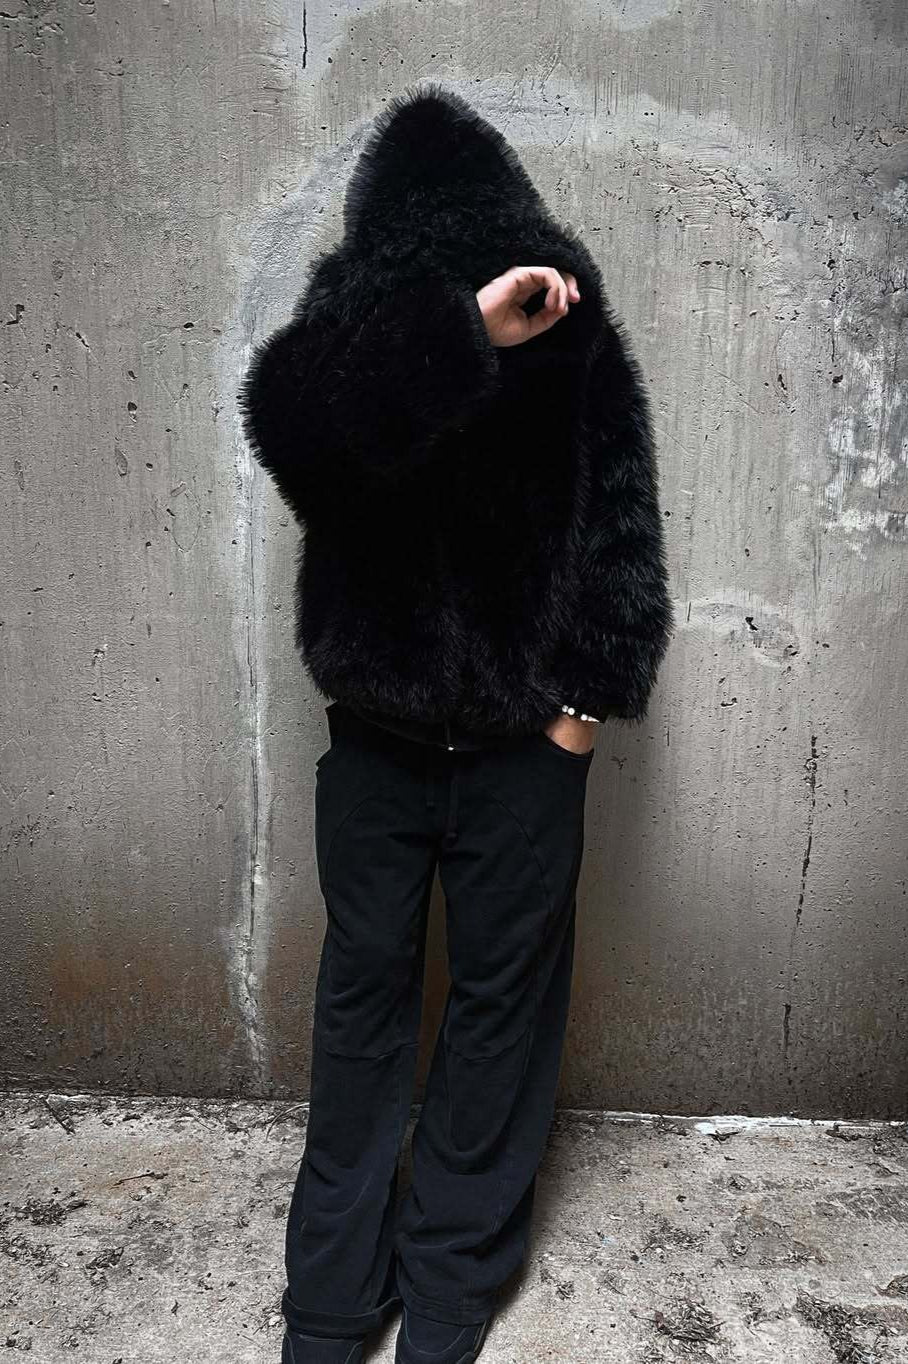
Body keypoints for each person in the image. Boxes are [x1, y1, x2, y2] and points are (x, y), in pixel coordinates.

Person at [238, 83, 672, 1364]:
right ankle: (332, 1293)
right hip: (374, 742)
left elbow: (623, 521)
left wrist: (581, 712)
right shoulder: (354, 336)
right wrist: (459, 332)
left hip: (522, 751)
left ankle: (449, 1279)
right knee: (360, 1007)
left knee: (500, 1013)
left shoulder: (573, 329)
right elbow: (291, 430)